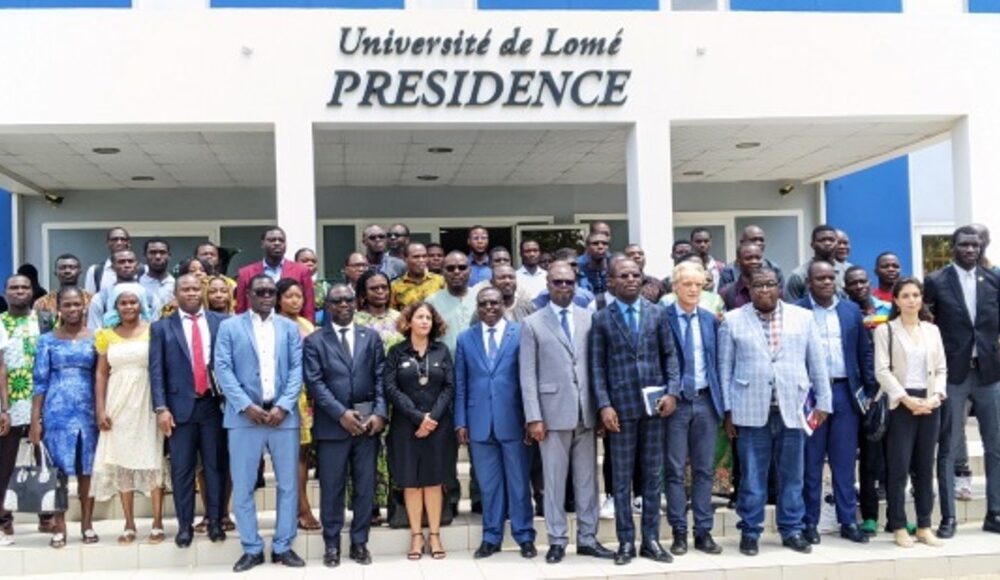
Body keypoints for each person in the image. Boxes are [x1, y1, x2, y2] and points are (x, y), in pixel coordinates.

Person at [718, 267, 831, 556]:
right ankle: (750, 532)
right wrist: (728, 412)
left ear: (779, 287)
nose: (764, 290)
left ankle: (791, 529)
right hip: (750, 410)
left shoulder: (803, 318)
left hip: (792, 407)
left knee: (792, 475)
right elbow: (724, 370)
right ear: (749, 288)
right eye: (758, 286)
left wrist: (823, 403)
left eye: (770, 284)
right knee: (753, 477)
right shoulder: (732, 321)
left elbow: (817, 364)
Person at [520, 262, 614, 564]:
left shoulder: (590, 318)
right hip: (551, 415)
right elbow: (527, 374)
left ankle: (587, 538)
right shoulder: (533, 323)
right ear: (548, 285)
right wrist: (534, 416)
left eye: (569, 282)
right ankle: (557, 540)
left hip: (585, 413)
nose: (564, 287)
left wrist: (601, 408)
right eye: (558, 282)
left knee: (588, 482)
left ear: (576, 284)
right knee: (554, 482)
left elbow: (597, 367)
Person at [590, 258, 679, 565]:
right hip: (620, 410)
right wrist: (604, 405)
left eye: (635, 274)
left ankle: (651, 539)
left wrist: (672, 392)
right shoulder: (601, 319)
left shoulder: (658, 314)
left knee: (653, 477)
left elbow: (671, 357)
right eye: (623, 275)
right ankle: (626, 541)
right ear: (611, 281)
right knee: (622, 480)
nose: (630, 279)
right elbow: (597, 367)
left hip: (655, 408)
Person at [215, 274, 305, 572]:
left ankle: (282, 546)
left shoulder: (290, 328)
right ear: (248, 294)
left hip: (283, 417)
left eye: (271, 291)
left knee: (288, 485)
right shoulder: (230, 326)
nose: (267, 295)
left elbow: (296, 370)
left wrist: (283, 406)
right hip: (244, 418)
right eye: (260, 291)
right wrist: (245, 405)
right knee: (242, 486)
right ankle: (251, 547)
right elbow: (223, 369)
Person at [923, 225, 1000, 537]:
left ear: (981, 247)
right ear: (953, 247)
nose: (970, 250)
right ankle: (948, 518)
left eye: (975, 245)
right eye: (964, 245)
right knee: (949, 447)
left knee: (995, 446)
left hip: (989, 375)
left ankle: (994, 512)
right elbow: (929, 325)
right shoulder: (937, 281)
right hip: (952, 375)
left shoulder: (994, 279)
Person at [303, 284, 387, 567]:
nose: (343, 305)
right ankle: (331, 544)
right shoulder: (315, 341)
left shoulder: (371, 337)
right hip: (332, 426)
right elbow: (314, 383)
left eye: (348, 300)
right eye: (337, 301)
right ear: (327, 306)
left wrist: (379, 413)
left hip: (367, 425)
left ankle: (360, 542)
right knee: (332, 487)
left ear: (356, 302)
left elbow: (380, 378)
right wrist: (341, 414)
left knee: (364, 486)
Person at [796, 261, 875, 545]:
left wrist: (870, 391)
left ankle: (847, 520)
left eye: (831, 278)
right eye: (820, 278)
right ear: (809, 282)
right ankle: (809, 522)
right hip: (811, 396)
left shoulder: (850, 310)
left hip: (844, 393)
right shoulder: (797, 311)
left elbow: (864, 352)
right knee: (811, 461)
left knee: (843, 462)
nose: (827, 282)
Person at [455, 287, 536, 560]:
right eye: (483, 303)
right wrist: (460, 422)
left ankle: (524, 536)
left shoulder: (520, 333)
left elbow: (528, 380)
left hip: (514, 421)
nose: (489, 307)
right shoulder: (465, 339)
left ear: (504, 304)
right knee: (489, 486)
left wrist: (530, 418)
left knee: (518, 483)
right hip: (478, 423)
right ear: (477, 307)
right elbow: (461, 384)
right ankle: (491, 537)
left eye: (494, 302)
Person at [149, 274, 228, 547]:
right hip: (179, 409)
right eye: (186, 289)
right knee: (182, 470)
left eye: (196, 288)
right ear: (176, 293)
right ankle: (184, 526)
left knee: (215, 467)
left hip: (213, 406)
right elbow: (156, 371)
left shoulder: (222, 323)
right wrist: (161, 408)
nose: (192, 293)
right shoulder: (161, 328)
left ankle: (216, 521)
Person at [874, 277, 947, 548]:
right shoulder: (886, 331)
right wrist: (906, 399)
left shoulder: (932, 330)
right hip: (901, 406)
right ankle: (899, 525)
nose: (912, 300)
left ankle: (925, 525)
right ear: (895, 300)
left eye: (916, 295)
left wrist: (936, 396)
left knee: (925, 468)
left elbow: (941, 369)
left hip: (930, 405)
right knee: (899, 468)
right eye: (905, 295)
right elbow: (882, 370)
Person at [90, 283, 166, 545]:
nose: (129, 307)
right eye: (123, 302)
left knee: (151, 458)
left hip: (147, 401)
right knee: (121, 462)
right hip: (117, 402)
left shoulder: (154, 331)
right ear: (115, 306)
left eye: (134, 302)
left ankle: (157, 522)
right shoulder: (105, 334)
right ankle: (129, 523)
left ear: (142, 304)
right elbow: (100, 373)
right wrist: (100, 409)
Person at [662, 261, 725, 556]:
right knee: (674, 470)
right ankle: (678, 531)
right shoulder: (661, 319)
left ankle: (703, 531)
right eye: (687, 284)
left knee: (704, 470)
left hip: (705, 401)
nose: (693, 289)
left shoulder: (710, 320)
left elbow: (717, 363)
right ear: (675, 287)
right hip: (675, 404)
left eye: (698, 285)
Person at [385, 302, 456, 560]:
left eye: (429, 317)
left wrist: (431, 418)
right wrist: (417, 417)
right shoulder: (396, 352)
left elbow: (449, 386)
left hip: (438, 426)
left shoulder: (442, 351)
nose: (425, 321)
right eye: (420, 317)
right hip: (406, 426)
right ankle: (416, 537)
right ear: (409, 321)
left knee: (434, 481)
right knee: (411, 482)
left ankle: (435, 536)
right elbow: (391, 388)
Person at [29, 287, 98, 548]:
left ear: (84, 306)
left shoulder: (96, 337)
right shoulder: (46, 340)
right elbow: (39, 382)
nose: (72, 309)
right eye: (66, 305)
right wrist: (36, 421)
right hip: (56, 412)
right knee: (57, 473)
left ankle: (87, 524)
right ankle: (59, 525)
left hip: (88, 412)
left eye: (76, 304)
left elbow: (100, 376)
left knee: (86, 470)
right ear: (58, 308)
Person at [0, 274, 56, 544]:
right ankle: (4, 518)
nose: (19, 291)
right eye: (14, 287)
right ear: (5, 292)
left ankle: (46, 515)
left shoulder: (45, 321)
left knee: (43, 459)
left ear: (32, 292)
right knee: (5, 464)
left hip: (41, 401)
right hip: (9, 404)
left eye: (24, 287)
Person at [842, 265, 893, 535]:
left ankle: (895, 515)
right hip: (856, 394)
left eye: (863, 282)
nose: (859, 286)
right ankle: (870, 515)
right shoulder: (844, 313)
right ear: (846, 287)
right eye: (853, 283)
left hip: (889, 390)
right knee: (868, 458)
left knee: (894, 457)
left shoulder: (887, 309)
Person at [273, 278, 322, 532]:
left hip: (309, 395)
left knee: (303, 453)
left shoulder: (306, 323)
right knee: (291, 455)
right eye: (289, 296)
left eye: (299, 296)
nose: (295, 301)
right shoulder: (274, 325)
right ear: (278, 299)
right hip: (286, 396)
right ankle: (301, 509)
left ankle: (299, 506)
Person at [235, 227, 315, 322]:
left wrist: (308, 330)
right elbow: (241, 308)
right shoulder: (245, 273)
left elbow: (308, 307)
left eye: (281, 240)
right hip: (256, 326)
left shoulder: (302, 271)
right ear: (262, 244)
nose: (277, 243)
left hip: (291, 326)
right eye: (272, 240)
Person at [88, 249, 161, 330]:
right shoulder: (100, 299)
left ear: (137, 265)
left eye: (130, 261)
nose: (127, 265)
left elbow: (156, 331)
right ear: (112, 267)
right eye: (121, 262)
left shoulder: (151, 298)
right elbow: (94, 332)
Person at [426, 251, 477, 355]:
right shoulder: (431, 302)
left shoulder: (480, 298)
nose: (456, 272)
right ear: (442, 272)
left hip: (476, 364)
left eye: (462, 268)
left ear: (470, 271)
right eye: (450, 268)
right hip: (445, 364)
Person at [784, 225, 843, 302]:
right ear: (812, 245)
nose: (827, 243)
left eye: (831, 240)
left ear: (837, 243)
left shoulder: (847, 271)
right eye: (822, 240)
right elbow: (791, 308)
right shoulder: (799, 275)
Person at [718, 226, 785, 288]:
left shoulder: (774, 268)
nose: (758, 243)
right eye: (753, 240)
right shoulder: (730, 271)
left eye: (761, 240)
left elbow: (782, 296)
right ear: (742, 242)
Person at [33, 254, 93, 323]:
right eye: (62, 268)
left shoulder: (92, 300)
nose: (67, 271)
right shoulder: (42, 303)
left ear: (80, 271)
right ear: (55, 272)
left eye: (72, 267)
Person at [391, 243, 445, 310]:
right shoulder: (395, 286)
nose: (421, 260)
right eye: (416, 257)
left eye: (424, 256)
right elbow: (392, 314)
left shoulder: (440, 281)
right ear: (405, 259)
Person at [84, 227, 133, 294]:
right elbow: (90, 300)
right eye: (114, 239)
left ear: (128, 243)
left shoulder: (142, 270)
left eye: (123, 239)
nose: (119, 243)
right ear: (108, 243)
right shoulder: (95, 271)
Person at [720, 243, 766, 311]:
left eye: (758, 258)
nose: (754, 261)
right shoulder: (726, 293)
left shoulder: (772, 290)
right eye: (748, 258)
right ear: (738, 262)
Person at [294, 248, 329, 326]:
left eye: (314, 261)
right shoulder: (290, 286)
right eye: (304, 261)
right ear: (295, 263)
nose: (310, 263)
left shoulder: (324, 287)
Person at [139, 238, 175, 308]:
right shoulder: (138, 285)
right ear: (145, 255)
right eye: (152, 252)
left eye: (162, 252)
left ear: (169, 256)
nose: (157, 256)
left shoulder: (177, 285)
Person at [689, 228, 726, 292]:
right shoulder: (684, 267)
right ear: (691, 243)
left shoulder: (721, 268)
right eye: (698, 241)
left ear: (710, 243)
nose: (702, 245)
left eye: (706, 241)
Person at [577, 232, 610, 297]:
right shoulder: (579, 270)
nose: (600, 246)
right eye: (595, 243)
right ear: (587, 247)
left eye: (604, 243)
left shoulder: (615, 269)